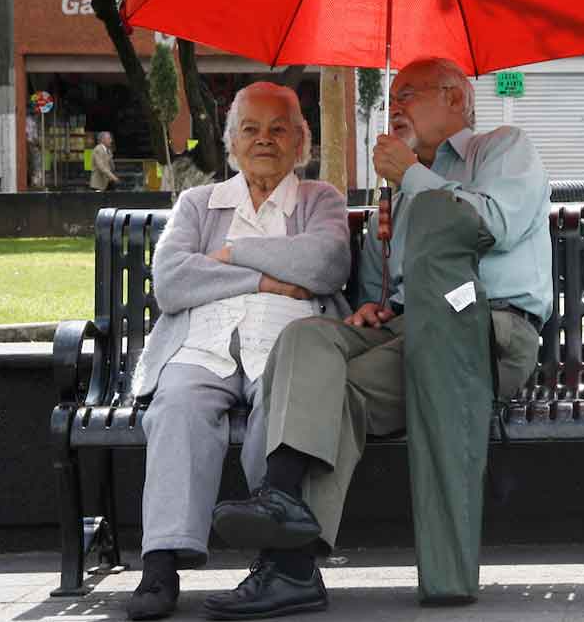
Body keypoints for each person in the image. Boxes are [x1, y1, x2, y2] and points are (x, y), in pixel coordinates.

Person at [203, 57, 551, 619]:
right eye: (391, 98)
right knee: (308, 340)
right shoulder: (401, 186)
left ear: (457, 100)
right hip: (407, 330)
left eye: (410, 94)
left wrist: (412, 175)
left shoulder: (503, 149)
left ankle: (289, 565)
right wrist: (371, 303)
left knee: (336, 393)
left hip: (485, 333)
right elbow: (380, 284)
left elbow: (490, 225)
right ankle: (282, 499)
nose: (396, 108)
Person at [125, 82, 354, 620]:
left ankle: (280, 561)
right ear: (231, 141)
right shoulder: (199, 203)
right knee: (175, 407)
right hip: (203, 343)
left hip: (287, 345)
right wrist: (267, 281)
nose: (264, 140)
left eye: (279, 129)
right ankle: (160, 564)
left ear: (302, 140)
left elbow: (324, 265)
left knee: (281, 416)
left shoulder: (321, 200)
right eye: (250, 129)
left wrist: (232, 256)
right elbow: (174, 281)